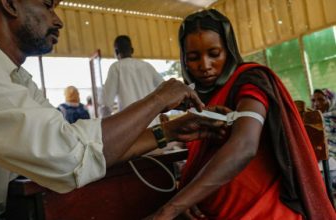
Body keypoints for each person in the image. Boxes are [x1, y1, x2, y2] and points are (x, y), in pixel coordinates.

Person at [0, 1, 228, 219]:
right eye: (47, 5)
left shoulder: (17, 79)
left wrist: (167, 131)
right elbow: (71, 156)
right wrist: (157, 98)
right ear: (9, 4)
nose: (57, 21)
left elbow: (84, 148)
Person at [149, 9, 336, 219]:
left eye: (214, 54)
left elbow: (244, 146)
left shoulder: (250, 81)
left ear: (229, 51)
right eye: (193, 58)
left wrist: (173, 206)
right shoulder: (200, 100)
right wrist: (190, 195)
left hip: (263, 212)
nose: (204, 65)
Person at [101, 35, 164, 126]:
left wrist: (104, 127)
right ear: (132, 50)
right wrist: (162, 112)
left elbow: (107, 103)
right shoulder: (147, 66)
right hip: (153, 124)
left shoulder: (116, 67)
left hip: (131, 127)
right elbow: (164, 87)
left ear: (116, 52)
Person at [312, 88, 336, 157]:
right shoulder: (313, 118)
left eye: (321, 99)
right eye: (313, 100)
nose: (316, 104)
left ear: (331, 101)